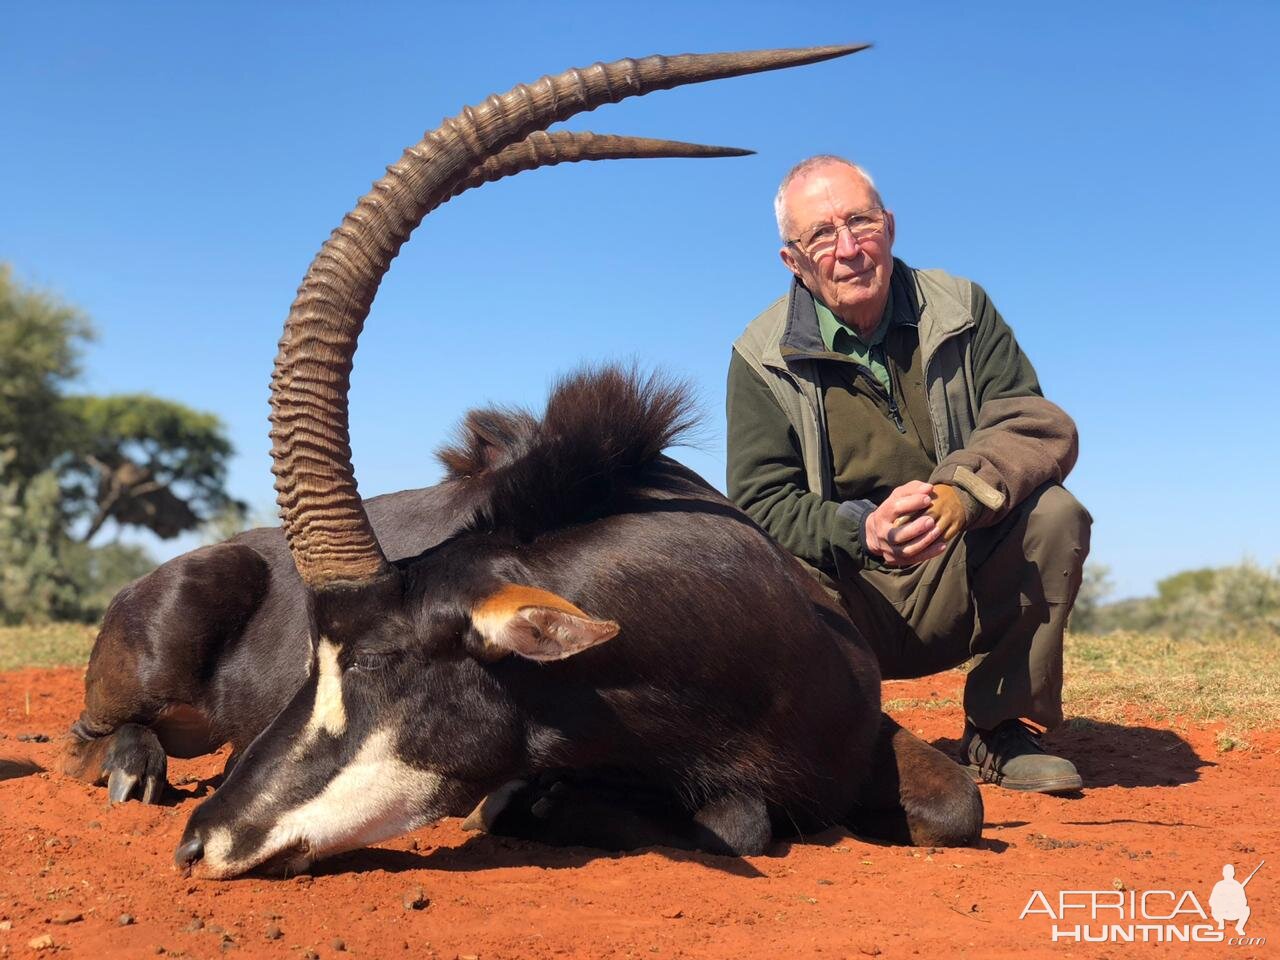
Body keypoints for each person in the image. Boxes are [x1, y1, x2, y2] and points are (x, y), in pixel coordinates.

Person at [727, 155, 1091, 793]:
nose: (849, 249)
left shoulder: (963, 308)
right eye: (821, 235)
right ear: (794, 260)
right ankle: (837, 735)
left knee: (1056, 514)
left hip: (955, 566)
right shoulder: (758, 356)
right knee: (764, 572)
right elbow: (759, 503)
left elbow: (1036, 423)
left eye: (861, 223)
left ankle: (999, 728)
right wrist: (861, 530)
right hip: (849, 594)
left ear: (890, 227)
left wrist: (962, 492)